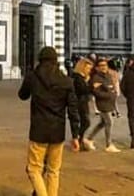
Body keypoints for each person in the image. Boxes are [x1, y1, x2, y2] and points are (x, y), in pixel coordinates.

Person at [18, 46, 80, 196]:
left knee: (34, 169)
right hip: (57, 132)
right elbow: (73, 110)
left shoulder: (32, 77)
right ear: (55, 61)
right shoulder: (66, 81)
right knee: (53, 171)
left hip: (38, 131)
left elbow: (22, 95)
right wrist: (76, 135)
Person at [86, 58, 121, 153]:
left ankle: (89, 139)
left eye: (105, 65)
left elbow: (111, 87)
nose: (103, 67)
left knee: (102, 123)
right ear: (97, 67)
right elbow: (96, 92)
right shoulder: (96, 78)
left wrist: (112, 93)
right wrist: (109, 94)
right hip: (102, 103)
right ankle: (108, 144)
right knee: (109, 122)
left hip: (109, 103)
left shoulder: (108, 76)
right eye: (101, 66)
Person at [71, 57, 94, 151]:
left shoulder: (81, 77)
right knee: (85, 122)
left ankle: (79, 139)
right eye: (88, 68)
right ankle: (77, 139)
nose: (89, 71)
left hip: (83, 102)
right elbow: (83, 90)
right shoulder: (77, 78)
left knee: (84, 122)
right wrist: (91, 86)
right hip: (79, 103)